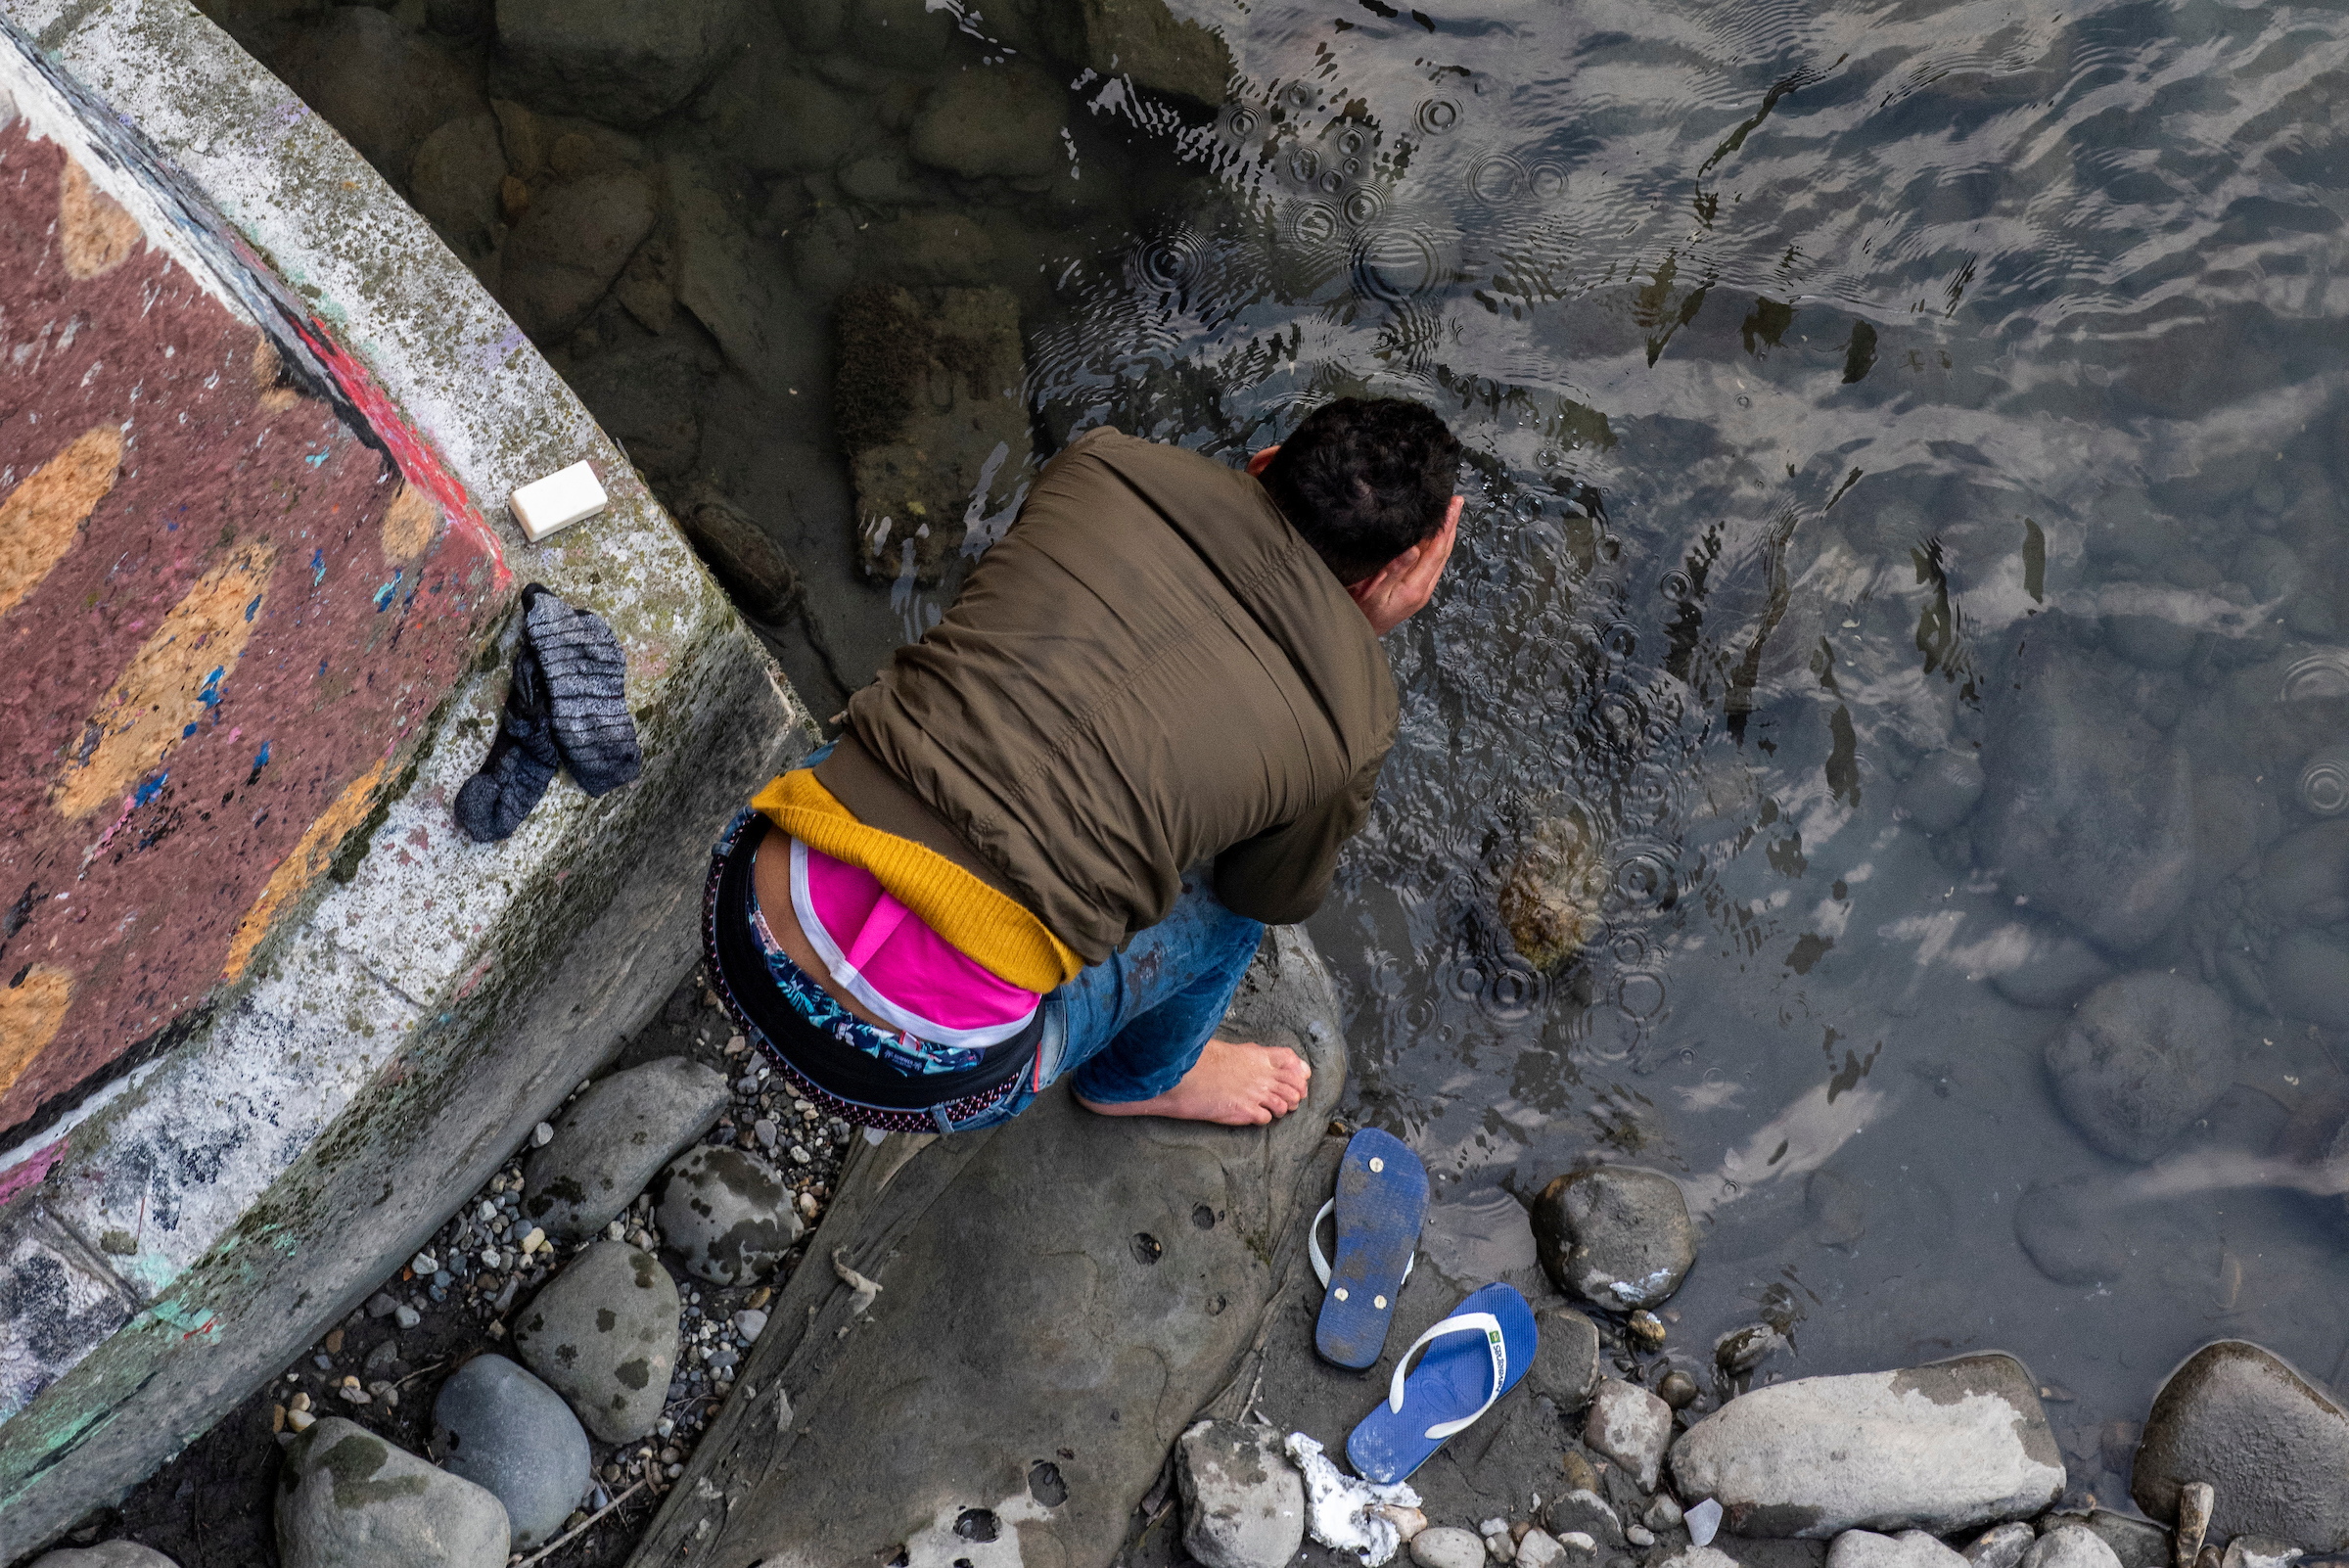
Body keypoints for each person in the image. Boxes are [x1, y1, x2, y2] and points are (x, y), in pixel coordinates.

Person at [702, 397, 1462, 1133]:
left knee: (930, 709)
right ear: (1394, 576)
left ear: (1265, 461)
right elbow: (1266, 891)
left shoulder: (1103, 463)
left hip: (740, 922)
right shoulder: (1356, 720)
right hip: (914, 1081)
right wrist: (1355, 640)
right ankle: (1141, 1081)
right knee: (1235, 919)